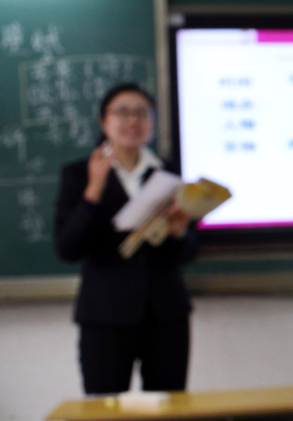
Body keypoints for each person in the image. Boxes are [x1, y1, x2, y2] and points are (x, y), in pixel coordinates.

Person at [55, 83, 197, 395]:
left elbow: (189, 253)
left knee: (169, 412)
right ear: (103, 121)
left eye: (142, 113)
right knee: (105, 412)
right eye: (122, 112)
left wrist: (180, 233)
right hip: (105, 316)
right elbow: (67, 248)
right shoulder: (78, 174)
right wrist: (93, 191)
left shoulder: (169, 173)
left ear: (152, 122)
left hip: (166, 314)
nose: (133, 121)